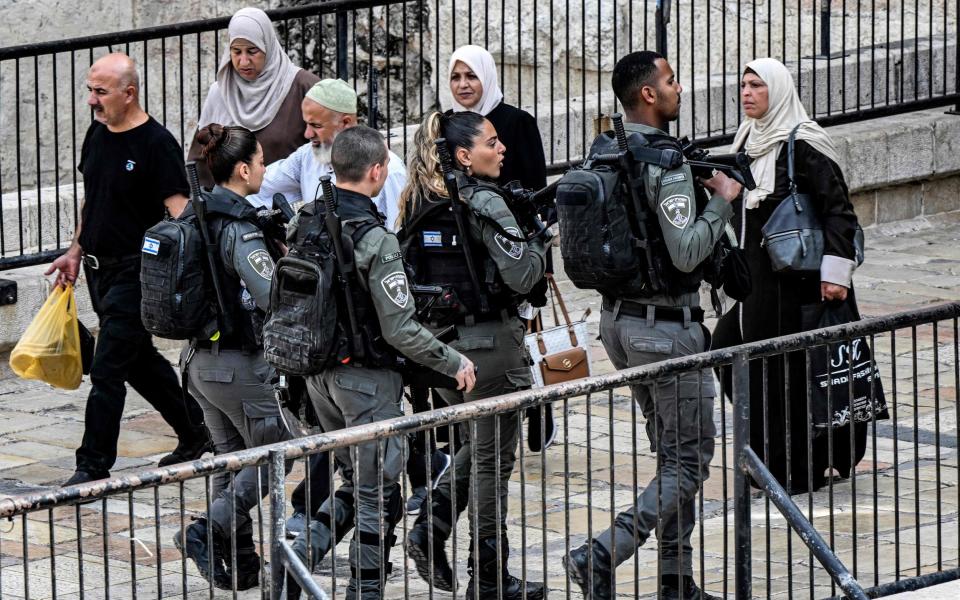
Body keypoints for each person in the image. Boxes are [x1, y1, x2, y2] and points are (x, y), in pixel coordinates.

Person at [561, 51, 741, 600]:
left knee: (672, 458)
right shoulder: (664, 162)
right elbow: (685, 252)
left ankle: (676, 580)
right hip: (665, 331)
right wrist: (722, 205)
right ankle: (601, 553)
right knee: (690, 461)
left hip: (621, 326)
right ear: (647, 95)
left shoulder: (611, 149)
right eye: (670, 80)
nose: (678, 87)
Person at [285, 125, 477, 600]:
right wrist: (452, 361)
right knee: (374, 496)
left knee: (355, 480)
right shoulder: (373, 237)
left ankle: (300, 555)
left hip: (315, 376)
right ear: (376, 171)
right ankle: (362, 590)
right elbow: (400, 328)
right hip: (365, 380)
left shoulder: (305, 221)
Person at [402, 111, 549, 600]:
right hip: (490, 350)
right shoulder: (485, 201)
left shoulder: (420, 201)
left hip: (442, 352)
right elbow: (524, 277)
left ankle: (433, 524)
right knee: (492, 463)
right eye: (491, 141)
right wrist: (538, 238)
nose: (503, 148)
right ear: (464, 155)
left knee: (478, 447)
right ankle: (488, 576)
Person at [45, 53, 210, 487]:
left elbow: (180, 214)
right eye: (89, 90)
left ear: (128, 93)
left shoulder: (156, 144)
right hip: (100, 272)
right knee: (138, 363)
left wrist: (176, 278)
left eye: (100, 92)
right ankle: (196, 432)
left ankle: (93, 465)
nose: (91, 101)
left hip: (138, 273)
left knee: (107, 369)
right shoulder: (97, 133)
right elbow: (92, 199)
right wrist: (74, 251)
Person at [712, 58, 865, 493]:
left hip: (801, 284)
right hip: (759, 284)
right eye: (743, 85)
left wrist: (836, 275)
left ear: (777, 91)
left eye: (757, 86)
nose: (747, 93)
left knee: (794, 374)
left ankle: (801, 468)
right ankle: (767, 455)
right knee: (730, 350)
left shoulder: (805, 143)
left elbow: (840, 212)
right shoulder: (749, 139)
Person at [172, 124, 296, 591]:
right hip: (238, 365)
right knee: (273, 452)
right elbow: (269, 296)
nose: (264, 168)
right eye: (261, 161)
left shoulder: (194, 214)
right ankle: (205, 531)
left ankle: (240, 562)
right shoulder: (239, 228)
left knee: (232, 461)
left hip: (198, 364)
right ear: (243, 170)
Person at [447, 44, 555, 452]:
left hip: (513, 244)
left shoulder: (517, 123)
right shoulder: (447, 126)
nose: (463, 85)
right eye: (456, 77)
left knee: (525, 331)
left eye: (470, 76)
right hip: (466, 251)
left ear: (487, 77)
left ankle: (537, 409)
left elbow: (537, 190)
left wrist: (537, 251)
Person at [187, 7, 319, 189]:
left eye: (252, 51)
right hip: (231, 211)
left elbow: (326, 150)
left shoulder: (302, 87)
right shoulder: (221, 91)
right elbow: (200, 160)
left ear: (268, 47)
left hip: (292, 209)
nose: (243, 61)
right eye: (236, 51)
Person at [249, 78, 405, 227]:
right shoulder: (307, 156)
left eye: (316, 126)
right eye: (307, 124)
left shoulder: (388, 170)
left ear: (345, 123)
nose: (307, 134)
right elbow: (259, 186)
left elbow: (396, 233)